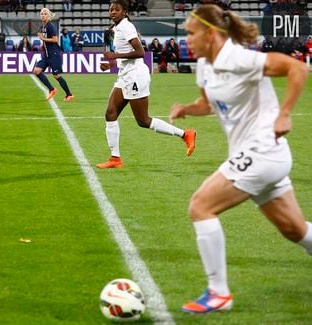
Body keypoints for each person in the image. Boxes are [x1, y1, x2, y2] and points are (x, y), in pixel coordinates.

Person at [168, 5, 310, 314]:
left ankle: (218, 294)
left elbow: (298, 69)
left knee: (201, 206)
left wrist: (284, 114)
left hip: (263, 151)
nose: (186, 39)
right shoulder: (206, 65)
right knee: (295, 231)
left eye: (191, 33)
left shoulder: (240, 58)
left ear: (211, 33)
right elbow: (208, 104)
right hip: (255, 156)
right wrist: (187, 110)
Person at [96, 0, 195, 169]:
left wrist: (115, 55)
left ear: (125, 12)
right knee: (110, 113)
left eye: (116, 9)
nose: (112, 12)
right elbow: (124, 57)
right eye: (111, 9)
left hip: (135, 76)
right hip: (125, 75)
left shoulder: (126, 27)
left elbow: (140, 52)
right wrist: (111, 64)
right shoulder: (117, 28)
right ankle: (115, 159)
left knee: (143, 120)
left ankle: (185, 134)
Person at [33, 7, 73, 102]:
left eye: (45, 14)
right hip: (46, 55)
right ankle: (52, 89)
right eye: (41, 14)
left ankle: (69, 94)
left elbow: (55, 40)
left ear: (48, 16)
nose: (43, 15)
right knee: (37, 71)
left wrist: (43, 39)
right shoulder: (43, 26)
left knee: (56, 75)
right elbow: (42, 35)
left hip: (54, 55)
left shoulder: (50, 26)